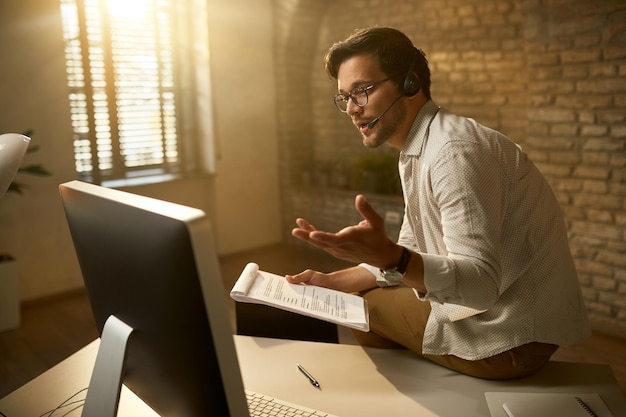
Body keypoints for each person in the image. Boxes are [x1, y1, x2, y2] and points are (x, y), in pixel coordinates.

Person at [286, 26, 590, 380]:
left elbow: (479, 287)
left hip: (508, 335)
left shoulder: (454, 153)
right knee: (350, 292)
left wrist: (391, 259)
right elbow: (410, 247)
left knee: (357, 306)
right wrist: (331, 281)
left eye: (362, 91)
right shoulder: (419, 148)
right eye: (345, 97)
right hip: (497, 316)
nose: (352, 109)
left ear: (410, 84)